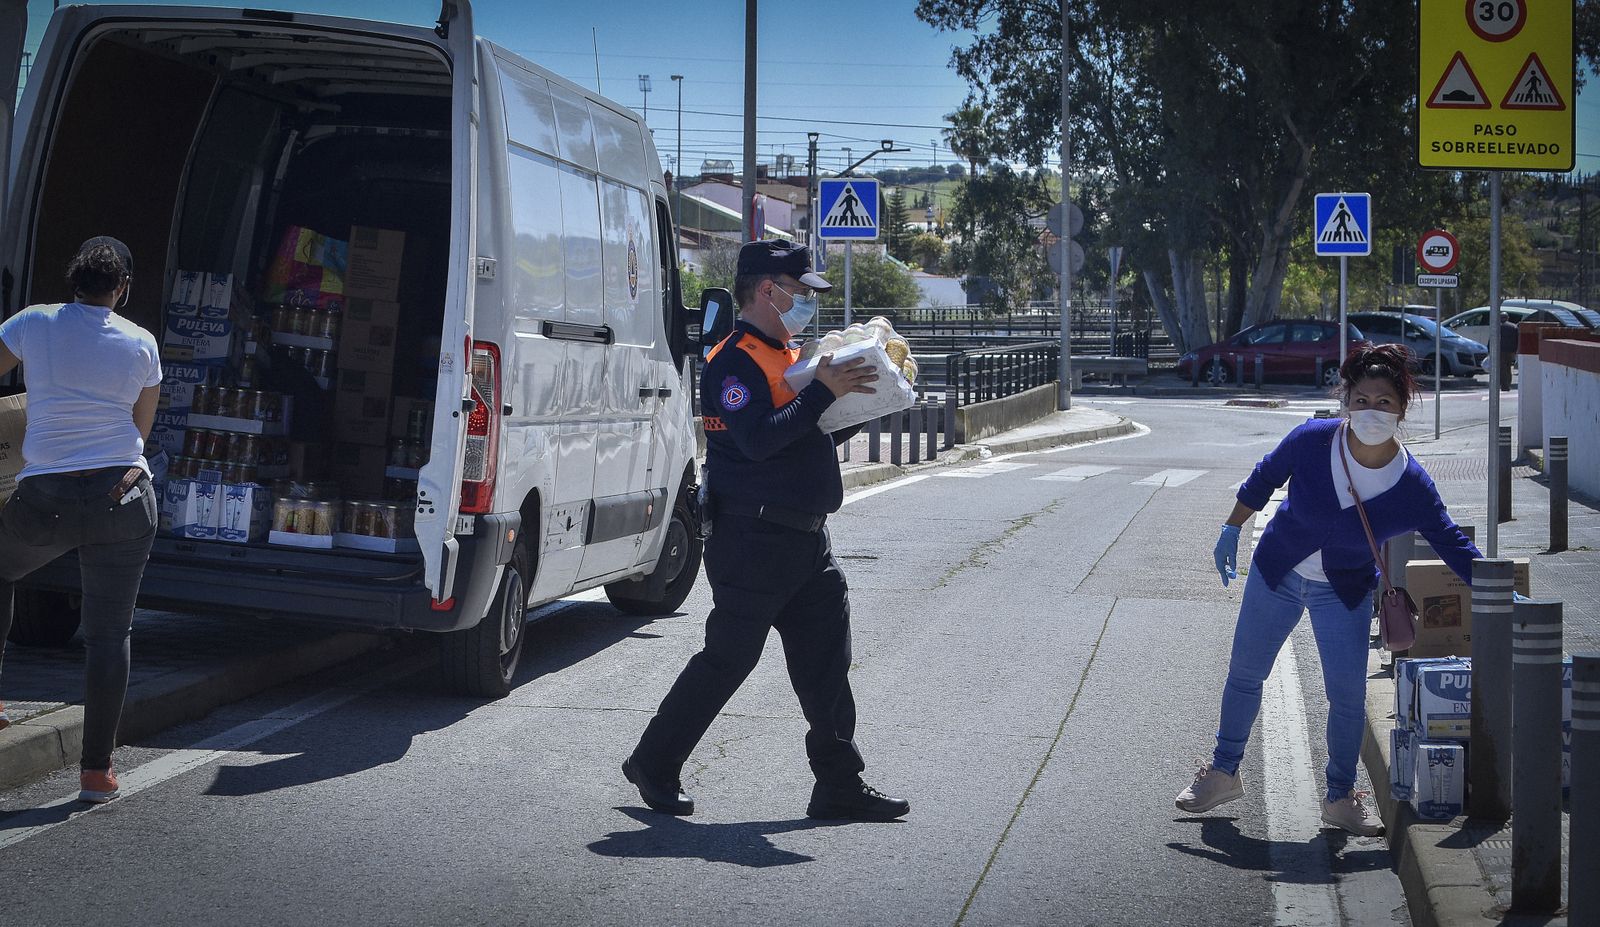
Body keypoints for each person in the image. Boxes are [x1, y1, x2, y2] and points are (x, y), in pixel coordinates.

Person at [623, 238, 910, 822]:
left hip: (805, 540)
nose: (806, 301)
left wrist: (858, 399)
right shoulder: (731, 360)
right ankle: (653, 762)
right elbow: (756, 439)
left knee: (827, 663)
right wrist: (821, 395)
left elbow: (809, 433)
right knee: (729, 659)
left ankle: (838, 785)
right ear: (765, 290)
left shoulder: (792, 356)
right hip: (753, 541)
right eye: (800, 291)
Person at [1176, 343, 1481, 836]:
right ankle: (1222, 772)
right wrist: (1232, 528)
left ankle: (1340, 797)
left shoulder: (1411, 485)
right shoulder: (1314, 440)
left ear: (1402, 409)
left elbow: (1451, 541)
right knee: (1244, 675)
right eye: (1361, 400)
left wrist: (1500, 588)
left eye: (1384, 403)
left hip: (1344, 591)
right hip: (1277, 573)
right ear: (1345, 402)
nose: (1371, 411)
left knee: (1346, 697)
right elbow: (1264, 477)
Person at [0, 237, 162, 803]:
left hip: (44, 500)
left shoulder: (32, 322)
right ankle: (96, 773)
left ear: (74, 278)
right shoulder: (141, 342)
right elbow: (141, 427)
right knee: (109, 635)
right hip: (123, 498)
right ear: (121, 288)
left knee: (3, 571)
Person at [1498, 316, 1518, 392]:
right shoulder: (1514, 326)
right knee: (1508, 368)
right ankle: (1507, 384)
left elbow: (1493, 338)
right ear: (1508, 318)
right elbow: (1517, 338)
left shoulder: (1499, 326)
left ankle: (1504, 385)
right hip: (1511, 350)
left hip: (1501, 350)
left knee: (1502, 368)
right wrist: (1516, 349)